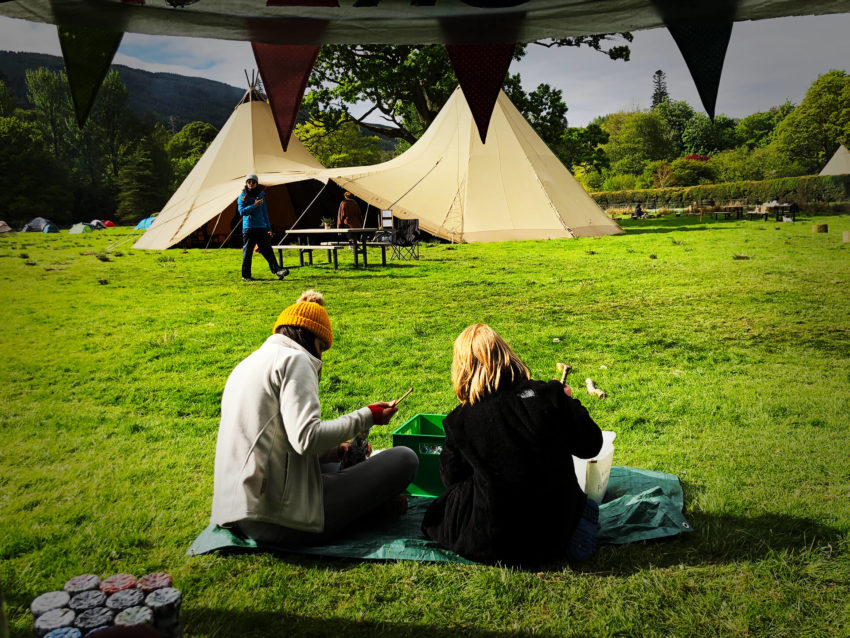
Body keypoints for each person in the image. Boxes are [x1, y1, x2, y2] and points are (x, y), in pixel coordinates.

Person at [211, 290, 419, 546]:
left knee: (338, 466)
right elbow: (306, 439)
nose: (320, 357)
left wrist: (333, 452)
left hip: (242, 512)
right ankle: (367, 511)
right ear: (308, 337)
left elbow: (279, 441)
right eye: (320, 348)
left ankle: (366, 504)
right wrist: (368, 416)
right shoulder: (296, 359)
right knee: (403, 458)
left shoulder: (248, 364)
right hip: (278, 520)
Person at [421, 324, 603, 566]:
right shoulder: (549, 394)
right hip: (557, 528)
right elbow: (591, 445)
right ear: (506, 355)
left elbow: (452, 480)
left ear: (462, 368)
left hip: (496, 541)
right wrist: (569, 404)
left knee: (437, 514)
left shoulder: (460, 420)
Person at [238, 174, 288, 282]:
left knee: (267, 250)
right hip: (249, 228)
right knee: (247, 252)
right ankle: (245, 276)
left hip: (261, 227)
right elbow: (242, 211)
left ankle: (277, 271)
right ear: (246, 183)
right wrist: (254, 205)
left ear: (256, 184)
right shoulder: (243, 195)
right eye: (249, 182)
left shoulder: (261, 195)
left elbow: (265, 213)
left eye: (253, 182)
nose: (250, 184)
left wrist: (268, 228)